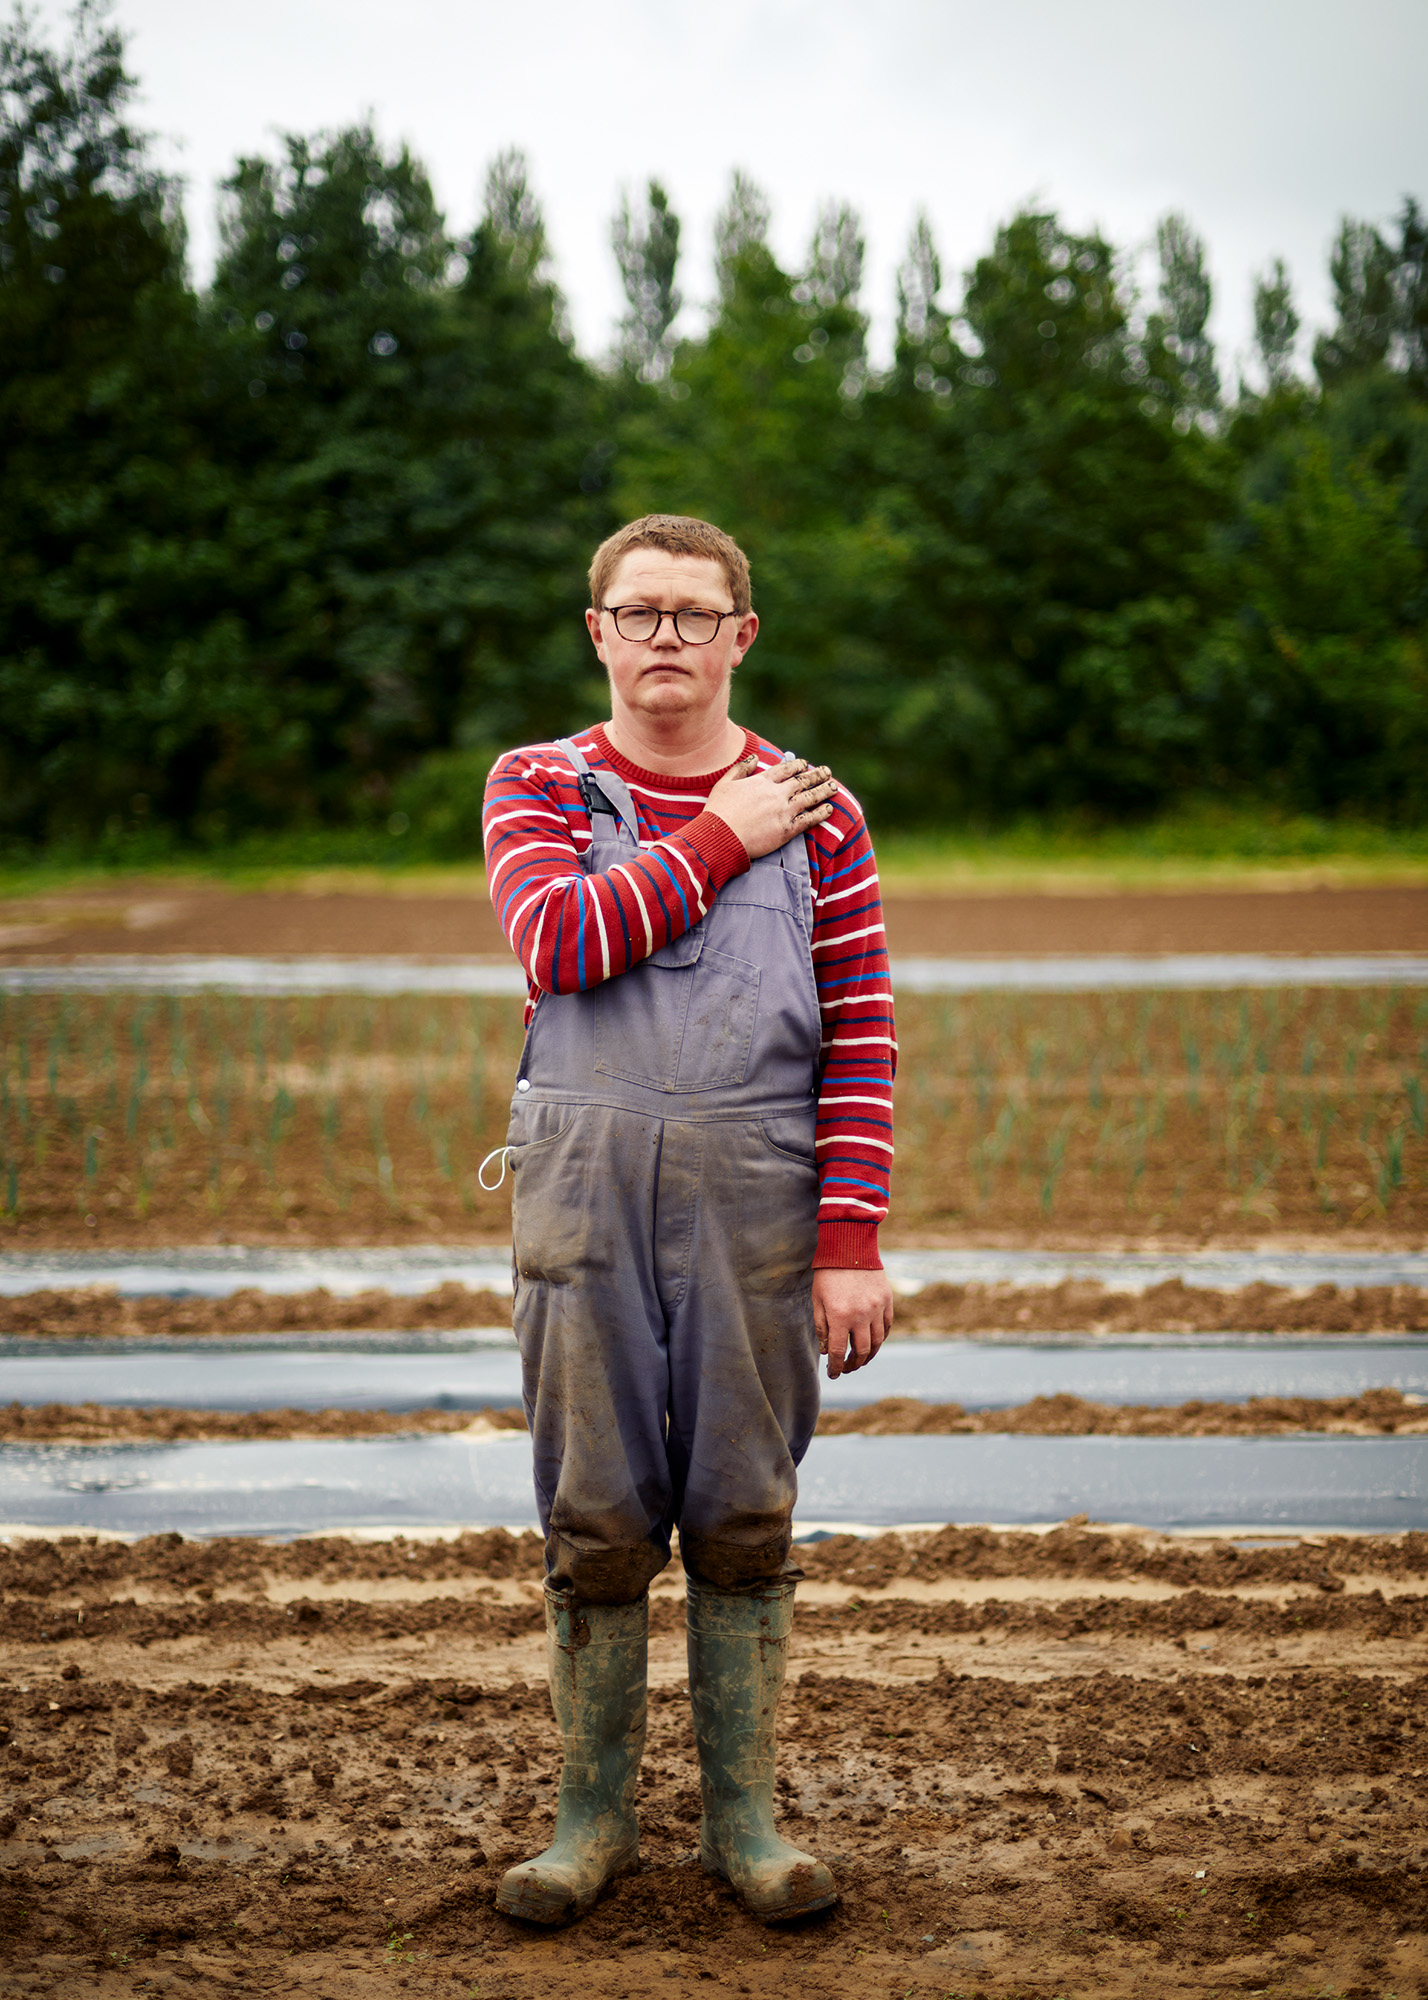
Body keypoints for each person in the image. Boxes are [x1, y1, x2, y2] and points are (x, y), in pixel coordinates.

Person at [481, 513, 895, 1927]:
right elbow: (561, 942)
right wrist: (724, 835)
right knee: (595, 1509)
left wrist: (850, 1245)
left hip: (758, 1192)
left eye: (695, 613)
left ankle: (746, 1827)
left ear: (741, 636)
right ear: (598, 632)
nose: (668, 636)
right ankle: (589, 1826)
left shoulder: (822, 812)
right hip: (584, 1186)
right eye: (641, 611)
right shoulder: (538, 782)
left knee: (742, 1505)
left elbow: (862, 1038)